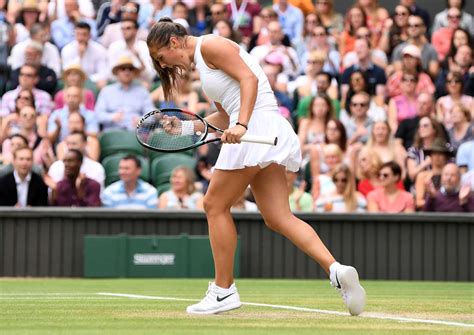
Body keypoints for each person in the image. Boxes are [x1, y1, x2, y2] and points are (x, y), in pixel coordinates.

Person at [147, 18, 366, 316]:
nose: (167, 65)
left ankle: (223, 291)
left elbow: (248, 80)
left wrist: (242, 124)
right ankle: (336, 270)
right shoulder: (205, 60)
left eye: (162, 57)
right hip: (264, 130)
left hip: (256, 127)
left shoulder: (211, 44)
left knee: (213, 205)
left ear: (173, 43)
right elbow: (225, 115)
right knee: (278, 217)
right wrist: (185, 129)